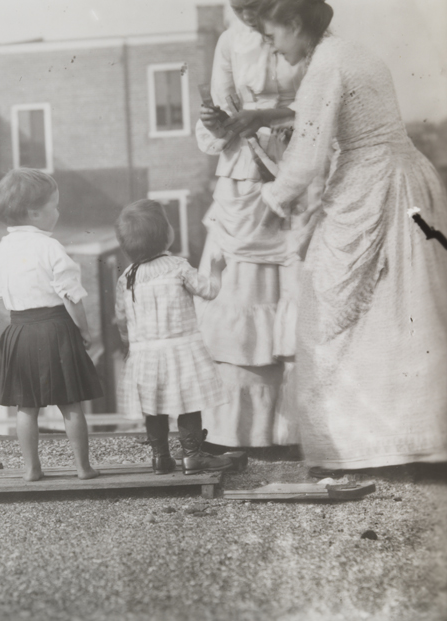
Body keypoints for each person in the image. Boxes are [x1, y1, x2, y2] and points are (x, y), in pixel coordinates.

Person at [256, 0, 447, 471]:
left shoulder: (326, 65)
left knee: (329, 308)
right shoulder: (349, 53)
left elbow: (307, 156)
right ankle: (414, 439)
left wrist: (270, 200)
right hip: (407, 178)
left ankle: (363, 445)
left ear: (296, 25)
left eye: (274, 35)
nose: (273, 47)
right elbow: (315, 121)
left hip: (374, 186)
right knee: (403, 309)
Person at [194, 0, 318, 448]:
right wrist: (215, 122)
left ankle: (297, 432)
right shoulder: (230, 42)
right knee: (241, 292)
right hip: (243, 180)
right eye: (237, 6)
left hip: (298, 167)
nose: (245, 13)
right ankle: (242, 432)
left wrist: (274, 119)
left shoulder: (303, 35)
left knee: (298, 286)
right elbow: (218, 124)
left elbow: (321, 103)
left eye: (253, 5)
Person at [0, 168, 102, 481]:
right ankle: (83, 467)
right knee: (70, 405)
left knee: (26, 408)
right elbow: (72, 296)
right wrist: (84, 330)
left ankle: (31, 469)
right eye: (54, 206)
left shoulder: (0, 252)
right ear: (34, 213)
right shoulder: (51, 247)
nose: (58, 211)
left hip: (19, 330)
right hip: (55, 328)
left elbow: (0, 295)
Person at [114, 200, 232, 474]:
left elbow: (122, 318)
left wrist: (128, 345)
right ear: (166, 235)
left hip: (145, 354)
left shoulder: (127, 278)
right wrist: (216, 269)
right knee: (187, 402)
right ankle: (193, 455)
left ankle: (160, 457)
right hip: (180, 350)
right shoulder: (177, 266)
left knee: (153, 406)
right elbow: (209, 291)